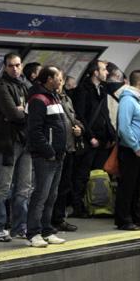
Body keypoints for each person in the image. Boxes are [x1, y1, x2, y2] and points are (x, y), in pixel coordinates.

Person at [0, 53, 32, 241]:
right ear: (5, 67)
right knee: (3, 186)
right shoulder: (1, 87)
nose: (15, 68)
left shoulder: (26, 85)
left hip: (25, 141)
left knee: (24, 187)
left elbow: (33, 112)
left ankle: (19, 227)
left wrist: (23, 112)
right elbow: (13, 114)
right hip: (8, 142)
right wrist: (22, 112)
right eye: (11, 65)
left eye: (18, 65)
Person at [24, 66, 68, 247]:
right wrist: (48, 151)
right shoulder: (38, 99)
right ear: (49, 79)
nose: (61, 79)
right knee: (41, 194)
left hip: (57, 155)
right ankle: (33, 232)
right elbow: (34, 130)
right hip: (45, 156)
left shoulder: (53, 97)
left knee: (51, 195)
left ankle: (46, 229)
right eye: (58, 76)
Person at [70, 59, 115, 218]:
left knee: (99, 174)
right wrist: (90, 137)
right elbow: (81, 115)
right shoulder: (83, 90)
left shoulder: (102, 89)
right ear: (95, 72)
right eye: (103, 69)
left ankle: (98, 204)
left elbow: (105, 114)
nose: (106, 73)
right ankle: (78, 206)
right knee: (82, 174)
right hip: (89, 139)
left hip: (103, 138)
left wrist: (112, 134)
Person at [115, 70, 140, 230]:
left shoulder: (139, 100)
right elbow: (124, 127)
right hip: (131, 150)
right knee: (127, 186)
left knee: (137, 186)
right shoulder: (127, 101)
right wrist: (135, 146)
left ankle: (136, 216)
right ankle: (124, 219)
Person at [51, 73, 84, 232]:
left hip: (69, 147)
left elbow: (74, 118)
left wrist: (79, 128)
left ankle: (59, 218)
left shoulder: (66, 99)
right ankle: (48, 219)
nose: (58, 82)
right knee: (51, 187)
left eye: (60, 79)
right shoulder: (47, 99)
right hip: (55, 149)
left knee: (64, 186)